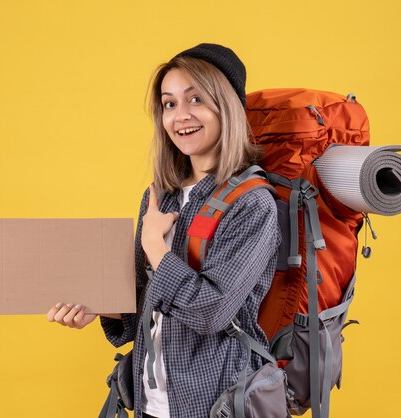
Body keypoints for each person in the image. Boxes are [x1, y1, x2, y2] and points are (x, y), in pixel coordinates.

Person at [47, 43, 281, 418]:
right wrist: (103, 305)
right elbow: (151, 301)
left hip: (216, 403)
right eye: (169, 104)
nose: (180, 116)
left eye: (196, 100)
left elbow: (210, 311)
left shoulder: (252, 204)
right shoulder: (161, 197)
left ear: (228, 108)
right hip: (151, 403)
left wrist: (154, 244)